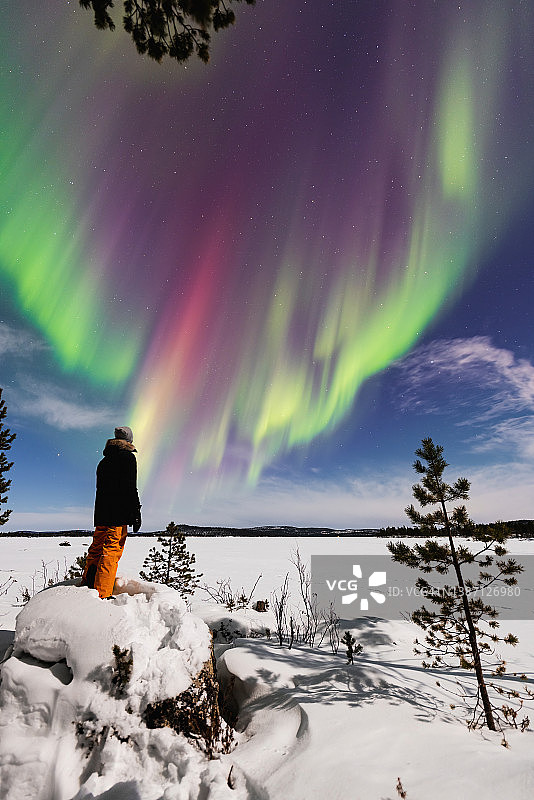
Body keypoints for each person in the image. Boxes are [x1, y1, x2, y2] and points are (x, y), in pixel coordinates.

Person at [82, 425, 142, 599]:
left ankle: (88, 582)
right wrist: (136, 512)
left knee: (96, 548)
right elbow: (130, 487)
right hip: (118, 514)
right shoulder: (128, 458)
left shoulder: (104, 462)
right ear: (129, 441)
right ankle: (103, 592)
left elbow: (101, 490)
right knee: (111, 550)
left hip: (101, 513)